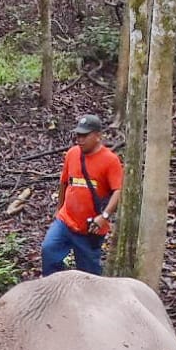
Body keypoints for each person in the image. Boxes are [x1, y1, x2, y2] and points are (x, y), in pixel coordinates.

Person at [41, 114, 123, 276]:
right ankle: (55, 289)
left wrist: (104, 216)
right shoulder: (72, 154)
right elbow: (64, 182)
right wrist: (59, 208)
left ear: (98, 136)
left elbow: (118, 191)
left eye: (85, 135)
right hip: (66, 220)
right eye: (78, 135)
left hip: (90, 228)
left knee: (89, 274)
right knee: (49, 250)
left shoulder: (110, 160)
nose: (80, 139)